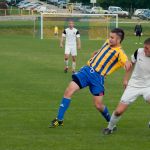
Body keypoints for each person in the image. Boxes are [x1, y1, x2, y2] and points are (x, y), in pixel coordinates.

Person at [49, 28, 131, 128]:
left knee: (98, 105)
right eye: (109, 37)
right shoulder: (107, 43)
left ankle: (111, 122)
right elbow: (101, 51)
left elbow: (127, 63)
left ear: (119, 40)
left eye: (112, 38)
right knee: (69, 90)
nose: (109, 39)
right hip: (87, 71)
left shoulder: (120, 53)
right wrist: (95, 54)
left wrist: (126, 73)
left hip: (98, 78)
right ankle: (59, 119)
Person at [103, 38, 150, 135]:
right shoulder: (139, 52)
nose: (145, 50)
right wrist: (125, 79)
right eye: (145, 48)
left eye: (147, 49)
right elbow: (130, 65)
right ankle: (110, 128)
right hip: (133, 85)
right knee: (119, 112)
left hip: (148, 86)